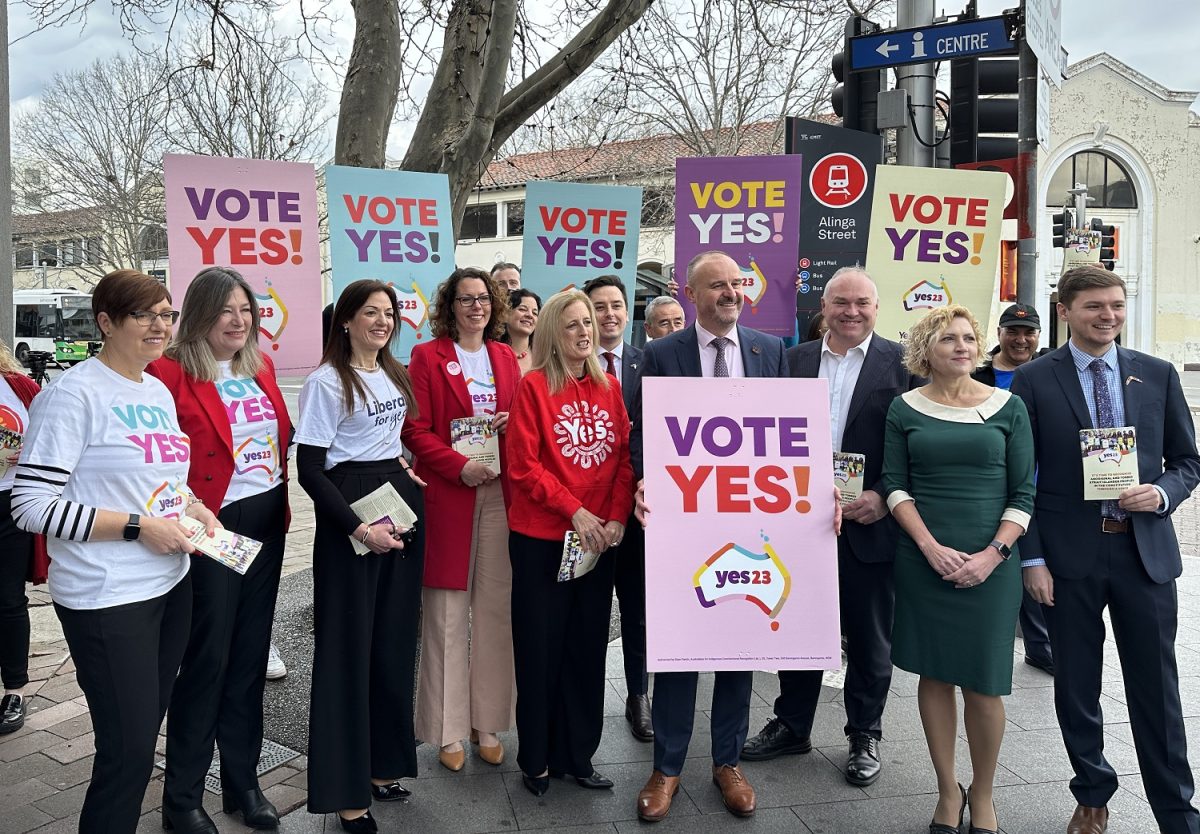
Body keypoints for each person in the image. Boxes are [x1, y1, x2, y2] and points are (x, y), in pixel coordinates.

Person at [11, 269, 221, 834]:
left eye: (167, 314)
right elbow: (29, 505)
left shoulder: (153, 388)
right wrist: (137, 528)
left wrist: (192, 505)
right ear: (106, 322)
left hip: (169, 585)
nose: (160, 326)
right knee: (126, 754)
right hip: (106, 599)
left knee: (137, 736)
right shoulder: (71, 395)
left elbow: (158, 479)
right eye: (144, 315)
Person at [1011, 266, 1200, 834]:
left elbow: (1189, 462)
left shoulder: (1157, 375)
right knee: (1075, 685)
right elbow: (1022, 477)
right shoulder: (1036, 379)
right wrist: (1032, 558)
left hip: (1144, 555)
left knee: (1158, 691)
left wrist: (1162, 493)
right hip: (1068, 558)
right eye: (1094, 306)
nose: (1108, 316)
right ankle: (1092, 793)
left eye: (1116, 305)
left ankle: (1177, 813)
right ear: (1065, 310)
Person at [742, 268, 919, 789]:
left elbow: (916, 444)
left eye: (862, 302)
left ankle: (865, 731)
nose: (851, 311)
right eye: (841, 302)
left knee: (869, 636)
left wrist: (885, 496)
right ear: (824, 306)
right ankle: (793, 724)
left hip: (869, 520)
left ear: (876, 307)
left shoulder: (904, 364)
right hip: (799, 523)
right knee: (796, 629)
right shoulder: (791, 361)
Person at [629, 250, 788, 822]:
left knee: (737, 643)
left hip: (749, 524)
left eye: (736, 284)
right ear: (691, 294)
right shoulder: (661, 353)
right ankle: (667, 766)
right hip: (682, 523)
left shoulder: (770, 352)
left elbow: (787, 434)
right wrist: (643, 481)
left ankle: (727, 762)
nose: (730, 293)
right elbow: (643, 433)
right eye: (716, 286)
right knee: (678, 644)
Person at [149, 267, 293, 833]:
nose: (239, 321)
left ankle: (242, 782)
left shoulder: (262, 367)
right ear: (200, 314)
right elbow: (155, 460)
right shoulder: (169, 374)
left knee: (249, 655)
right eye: (226, 310)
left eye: (247, 310)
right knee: (207, 659)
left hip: (266, 519)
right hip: (211, 524)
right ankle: (182, 797)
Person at [881, 305, 1035, 834]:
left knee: (985, 683)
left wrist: (994, 553)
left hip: (993, 562)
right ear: (927, 349)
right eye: (949, 339)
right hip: (924, 558)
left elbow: (1024, 491)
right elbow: (895, 485)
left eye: (970, 338)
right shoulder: (903, 408)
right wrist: (928, 547)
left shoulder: (1009, 407)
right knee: (936, 672)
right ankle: (948, 791)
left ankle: (984, 794)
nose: (964, 347)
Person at [297, 279, 425, 834]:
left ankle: (381, 767)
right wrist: (356, 527)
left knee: (392, 645)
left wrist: (402, 467)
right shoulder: (327, 381)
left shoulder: (392, 371)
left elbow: (386, 438)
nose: (382, 321)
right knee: (348, 654)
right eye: (370, 313)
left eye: (389, 313)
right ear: (345, 320)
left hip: (394, 503)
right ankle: (347, 793)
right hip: (351, 518)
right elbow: (309, 468)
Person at [505, 288, 634, 796]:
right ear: (552, 334)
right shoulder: (533, 387)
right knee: (540, 650)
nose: (586, 331)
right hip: (543, 539)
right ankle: (536, 758)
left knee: (585, 651)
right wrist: (575, 510)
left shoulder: (611, 386)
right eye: (573, 324)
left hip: (598, 540)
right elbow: (523, 466)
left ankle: (576, 756)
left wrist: (616, 517)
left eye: (589, 323)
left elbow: (624, 457)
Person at [403, 267, 519, 773]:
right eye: (465, 299)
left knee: (495, 612)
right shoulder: (428, 357)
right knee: (446, 614)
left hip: (499, 494)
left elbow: (525, 417)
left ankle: (486, 721)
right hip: (450, 495)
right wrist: (458, 466)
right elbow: (415, 429)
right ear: (450, 307)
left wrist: (511, 422)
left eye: (484, 299)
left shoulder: (505, 356)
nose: (476, 307)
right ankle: (447, 728)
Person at [583, 274, 651, 741]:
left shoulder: (651, 363)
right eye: (599, 307)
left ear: (627, 313)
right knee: (584, 610)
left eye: (615, 306)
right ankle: (579, 701)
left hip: (636, 511)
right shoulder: (566, 367)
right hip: (584, 513)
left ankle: (638, 696)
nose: (609, 315)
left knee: (637, 609)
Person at [972, 302, 1054, 677]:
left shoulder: (1051, 375)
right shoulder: (978, 376)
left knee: (1038, 564)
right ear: (1000, 335)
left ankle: (1040, 646)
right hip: (988, 490)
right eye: (1013, 332)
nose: (1021, 339)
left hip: (1042, 488)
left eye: (1029, 332)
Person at [0, 340, 42, 735]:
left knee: (9, 599)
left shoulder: (17, 385)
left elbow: (48, 439)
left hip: (8, 506)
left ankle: (14, 690)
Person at [500, 288, 541, 376]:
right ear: (505, 314)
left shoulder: (543, 358)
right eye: (522, 309)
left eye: (535, 313)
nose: (530, 315)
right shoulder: (492, 353)